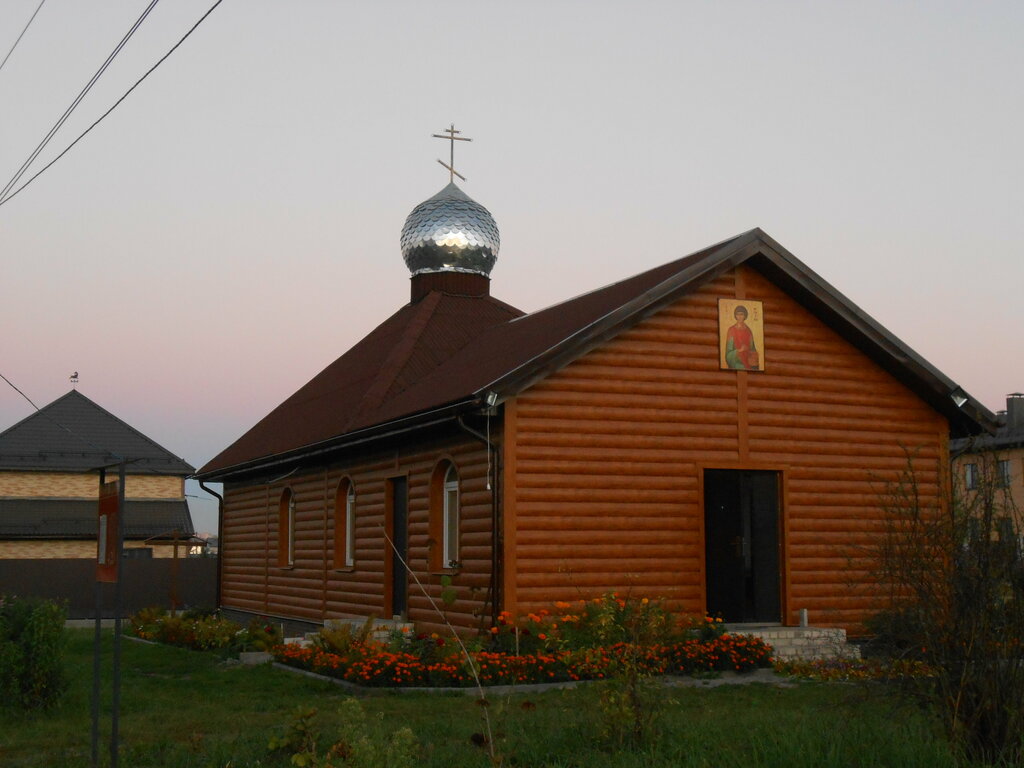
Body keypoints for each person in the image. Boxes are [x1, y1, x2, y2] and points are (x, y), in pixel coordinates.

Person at [725, 305, 759, 370]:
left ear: (745, 316)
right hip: (737, 363)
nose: (739, 317)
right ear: (735, 316)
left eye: (741, 314)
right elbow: (728, 354)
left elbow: (752, 349)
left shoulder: (748, 331)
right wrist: (739, 350)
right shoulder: (731, 330)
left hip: (748, 362)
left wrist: (754, 354)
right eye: (737, 314)